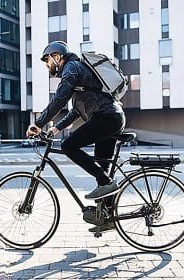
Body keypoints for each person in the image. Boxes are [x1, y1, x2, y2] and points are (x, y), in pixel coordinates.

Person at [26, 41, 126, 231]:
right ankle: (107, 219)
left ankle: (106, 185)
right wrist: (55, 129)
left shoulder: (71, 68)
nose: (47, 65)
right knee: (103, 173)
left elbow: (59, 99)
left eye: (47, 61)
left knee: (68, 146)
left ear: (57, 57)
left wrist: (37, 124)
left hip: (107, 118)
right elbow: (76, 111)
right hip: (111, 117)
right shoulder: (79, 72)